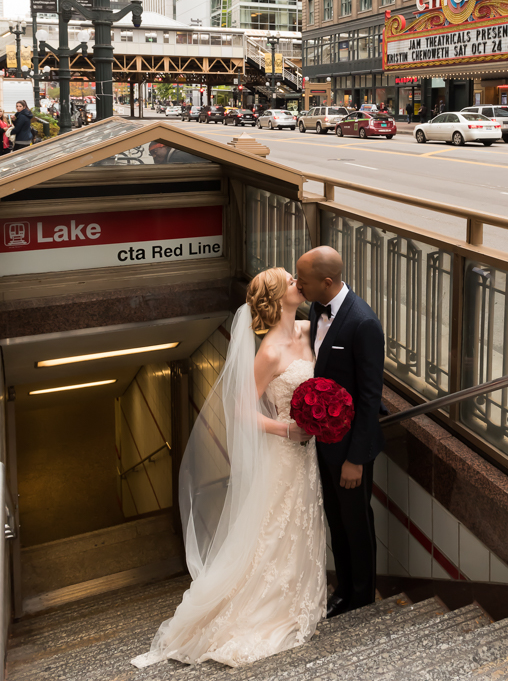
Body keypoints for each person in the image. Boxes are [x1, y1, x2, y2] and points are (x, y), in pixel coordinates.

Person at [132, 268, 326, 668]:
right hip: (285, 452)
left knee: (301, 525)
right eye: (289, 280)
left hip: (308, 457)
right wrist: (287, 430)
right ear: (275, 299)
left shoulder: (310, 329)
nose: (296, 281)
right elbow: (240, 411)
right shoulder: (269, 352)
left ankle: (300, 598)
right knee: (276, 530)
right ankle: (265, 609)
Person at [295, 246, 385, 618]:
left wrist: (356, 460)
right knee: (336, 519)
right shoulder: (316, 308)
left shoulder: (363, 323)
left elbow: (369, 398)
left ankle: (362, 598)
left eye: (303, 280)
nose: (298, 285)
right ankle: (343, 590)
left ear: (327, 282)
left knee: (356, 524)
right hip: (324, 443)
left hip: (350, 451)